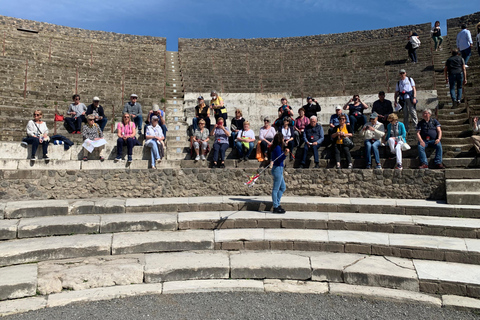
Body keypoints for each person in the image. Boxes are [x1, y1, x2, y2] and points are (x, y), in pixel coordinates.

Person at [270, 132, 289, 214]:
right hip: (277, 168)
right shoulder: (277, 148)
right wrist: (285, 154)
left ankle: (277, 203)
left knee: (283, 187)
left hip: (280, 168)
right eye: (282, 138)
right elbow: (279, 159)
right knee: (276, 189)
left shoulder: (278, 147)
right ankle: (275, 206)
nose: (283, 140)